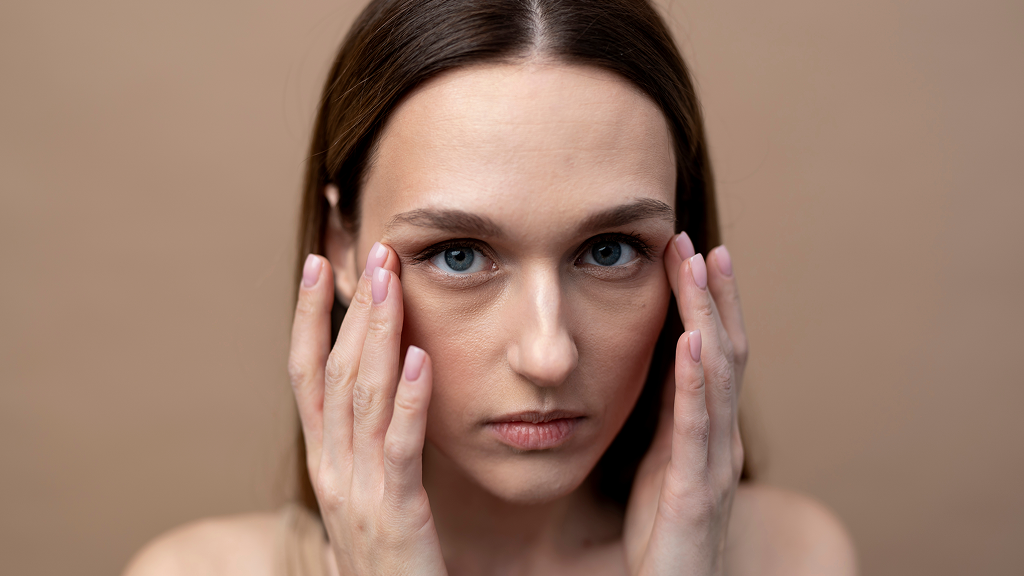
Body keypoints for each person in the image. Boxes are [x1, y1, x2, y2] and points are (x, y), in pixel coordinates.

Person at [124, 1, 857, 574]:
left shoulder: (795, 558)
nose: (548, 355)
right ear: (340, 247)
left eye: (609, 251)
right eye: (459, 255)